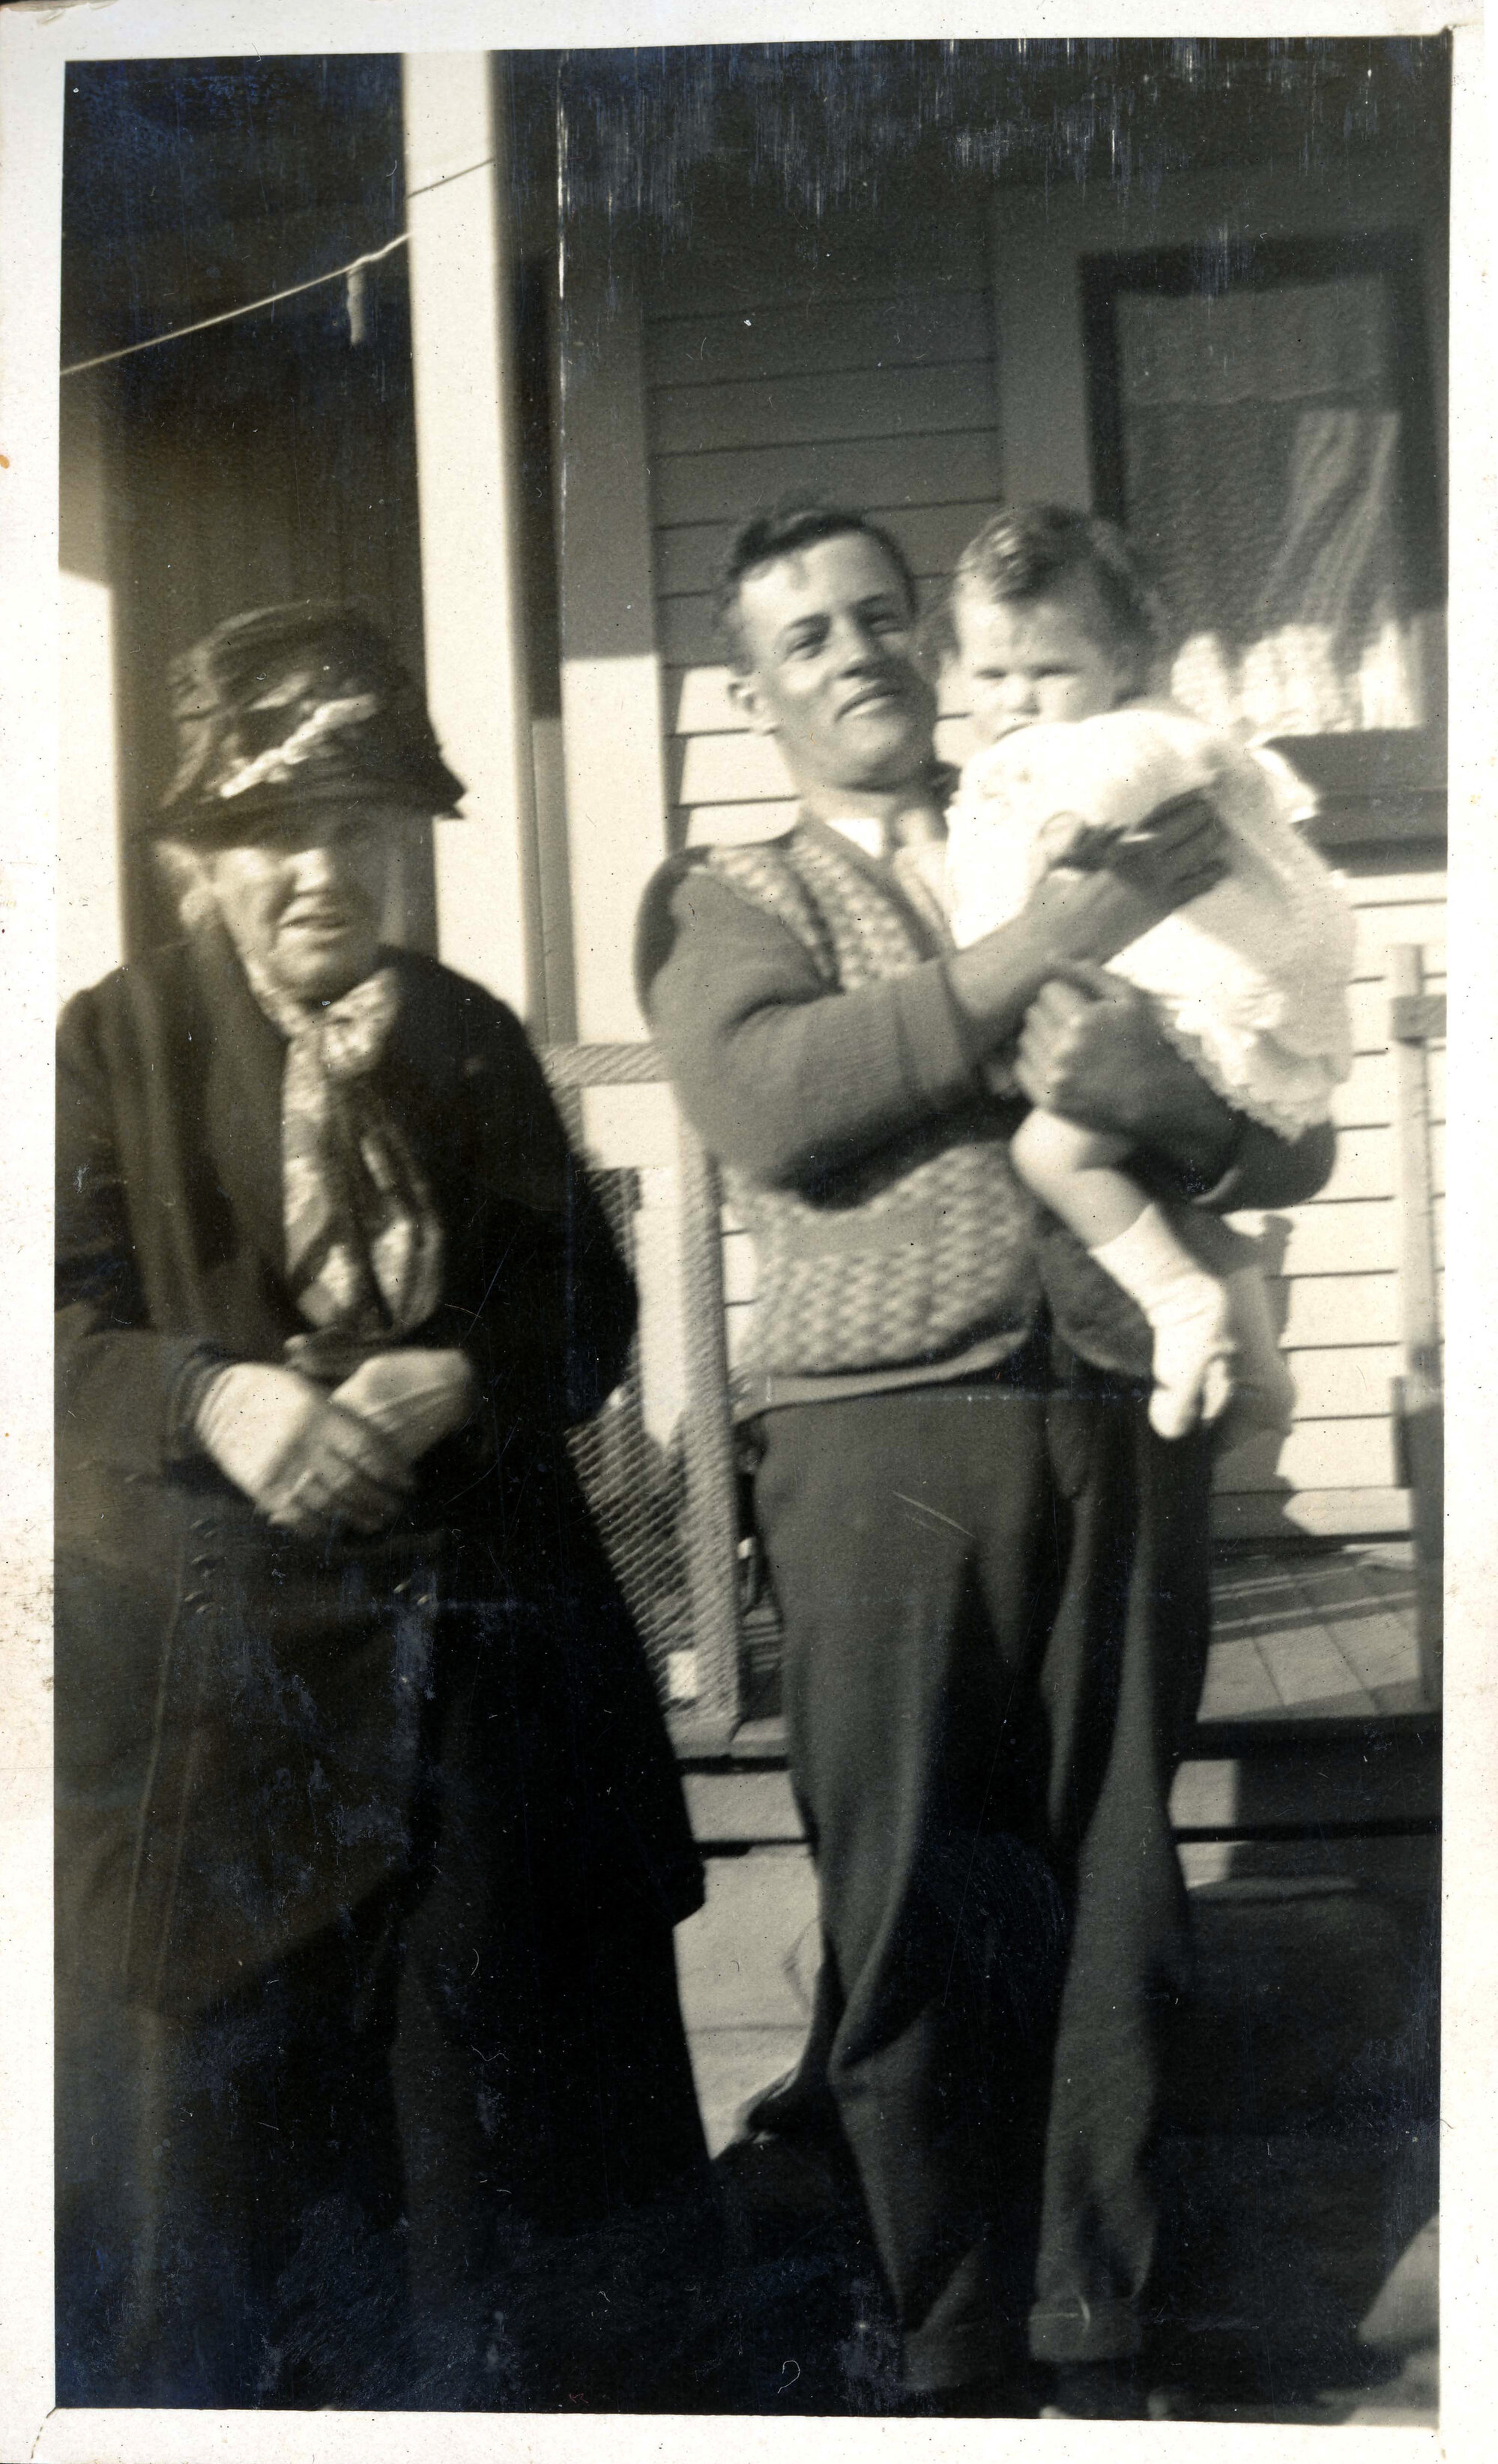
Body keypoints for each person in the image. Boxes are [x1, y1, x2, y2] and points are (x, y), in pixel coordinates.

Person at [635, 501, 1336, 2418]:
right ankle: (942, 2347)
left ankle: (1094, 2331)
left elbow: (1286, 1127)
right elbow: (778, 1100)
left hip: (1114, 1412)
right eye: (806, 637)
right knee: (909, 1902)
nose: (855, 654)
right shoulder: (732, 891)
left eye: (881, 618)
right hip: (884, 1447)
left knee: (1118, 1889)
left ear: (932, 651)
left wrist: (1161, 1099)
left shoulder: (1074, 801)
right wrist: (1047, 950)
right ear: (753, 688)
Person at [55, 605, 709, 2410]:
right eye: (277, 830)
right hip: (228, 1725)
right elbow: (56, 1323)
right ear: (202, 857)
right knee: (237, 2201)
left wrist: (477, 1373)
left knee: (488, 2193)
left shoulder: (471, 1039)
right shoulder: (109, 1046)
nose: (323, 868)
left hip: (484, 1715)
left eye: (359, 823)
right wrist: (221, 1394)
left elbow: (589, 1301)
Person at [939, 505, 1356, 1441]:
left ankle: (1179, 1309)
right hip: (1128, 1014)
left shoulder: (1119, 735)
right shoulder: (1001, 763)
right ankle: (1254, 1365)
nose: (1016, 698)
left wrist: (1071, 815)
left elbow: (1139, 763)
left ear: (1121, 665)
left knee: (1052, 1153)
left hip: (1185, 1003)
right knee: (1152, 1185)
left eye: (1048, 671)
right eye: (990, 674)